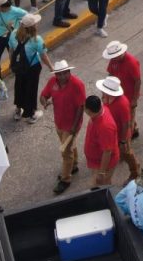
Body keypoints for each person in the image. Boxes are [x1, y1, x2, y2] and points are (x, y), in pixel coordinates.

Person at [41, 60, 87, 195]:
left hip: (71, 125)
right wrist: (44, 101)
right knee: (69, 146)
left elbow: (81, 106)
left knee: (65, 152)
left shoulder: (77, 85)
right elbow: (43, 95)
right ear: (56, 74)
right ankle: (74, 165)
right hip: (59, 122)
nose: (62, 76)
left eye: (65, 73)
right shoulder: (52, 82)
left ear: (69, 72)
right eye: (59, 74)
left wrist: (74, 127)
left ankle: (65, 179)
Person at [81, 94, 119, 187]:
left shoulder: (105, 127)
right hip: (96, 160)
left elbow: (107, 152)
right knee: (102, 185)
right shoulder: (101, 109)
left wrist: (101, 173)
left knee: (99, 187)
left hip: (103, 164)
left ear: (89, 111)